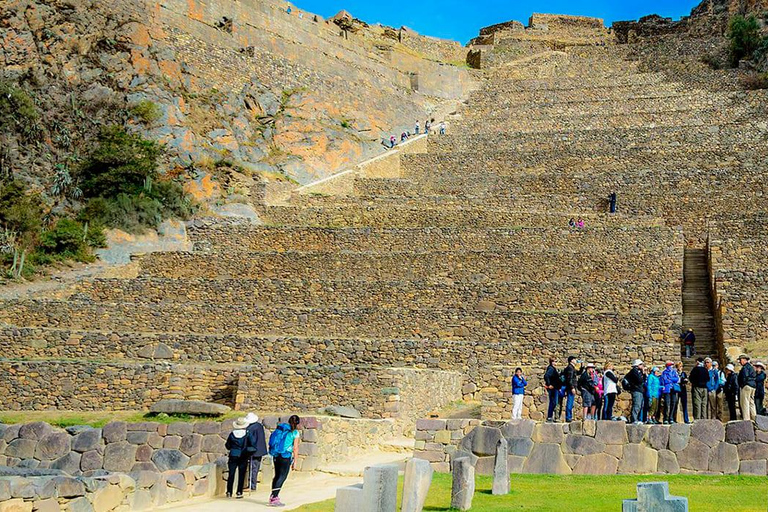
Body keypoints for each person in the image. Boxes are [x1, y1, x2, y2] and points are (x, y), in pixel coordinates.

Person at [268, 415, 301, 507]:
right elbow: (295, 448)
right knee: (282, 477)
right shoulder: (295, 432)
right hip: (285, 456)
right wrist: (295, 461)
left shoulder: (281, 428)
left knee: (277, 476)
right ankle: (274, 497)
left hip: (276, 455)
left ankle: (273, 495)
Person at [225, 417, 250, 499]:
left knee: (231, 474)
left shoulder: (232, 434)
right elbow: (251, 443)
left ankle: (229, 491)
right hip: (243, 455)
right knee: (241, 474)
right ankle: (239, 492)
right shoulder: (247, 433)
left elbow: (227, 445)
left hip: (233, 455)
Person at [245, 412, 267, 492]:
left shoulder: (250, 428)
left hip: (253, 451)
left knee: (253, 468)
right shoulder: (259, 426)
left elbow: (249, 440)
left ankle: (252, 486)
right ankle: (252, 485)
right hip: (260, 450)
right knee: (256, 468)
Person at [624, 360, 645, 424]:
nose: (642, 366)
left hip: (639, 390)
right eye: (641, 364)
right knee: (637, 405)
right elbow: (640, 380)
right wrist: (643, 373)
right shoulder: (634, 371)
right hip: (636, 390)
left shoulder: (638, 371)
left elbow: (643, 380)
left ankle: (637, 419)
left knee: (640, 405)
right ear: (638, 365)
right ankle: (634, 419)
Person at [738, 354, 757, 422]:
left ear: (743, 360)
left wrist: (742, 385)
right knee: (751, 402)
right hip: (753, 386)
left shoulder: (745, 368)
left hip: (747, 385)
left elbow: (744, 377)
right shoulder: (751, 367)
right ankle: (754, 418)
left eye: (740, 360)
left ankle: (746, 419)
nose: (739, 362)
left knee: (745, 403)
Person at [562, 356, 581, 422]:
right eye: (575, 359)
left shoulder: (572, 368)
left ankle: (569, 417)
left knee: (570, 402)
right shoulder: (570, 368)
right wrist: (572, 387)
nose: (576, 360)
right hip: (570, 388)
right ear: (571, 360)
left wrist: (582, 366)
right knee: (569, 402)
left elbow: (578, 373)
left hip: (571, 387)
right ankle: (568, 417)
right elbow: (569, 379)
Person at [544, 357, 560, 422]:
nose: (555, 362)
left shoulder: (553, 369)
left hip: (555, 387)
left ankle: (551, 416)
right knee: (553, 402)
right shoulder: (551, 369)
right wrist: (549, 384)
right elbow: (546, 376)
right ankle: (550, 417)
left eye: (556, 361)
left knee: (553, 402)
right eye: (554, 361)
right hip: (553, 388)